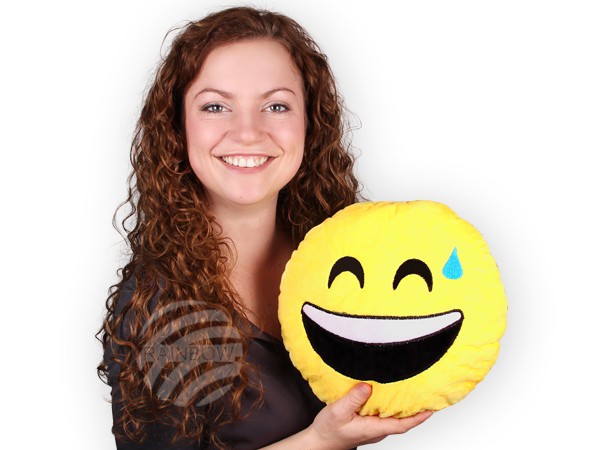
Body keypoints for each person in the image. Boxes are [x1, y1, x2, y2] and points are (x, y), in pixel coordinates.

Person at [97, 6, 432, 449]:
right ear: (178, 128)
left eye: (276, 106)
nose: (248, 132)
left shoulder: (340, 257)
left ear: (310, 124)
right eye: (215, 106)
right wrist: (320, 441)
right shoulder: (165, 312)